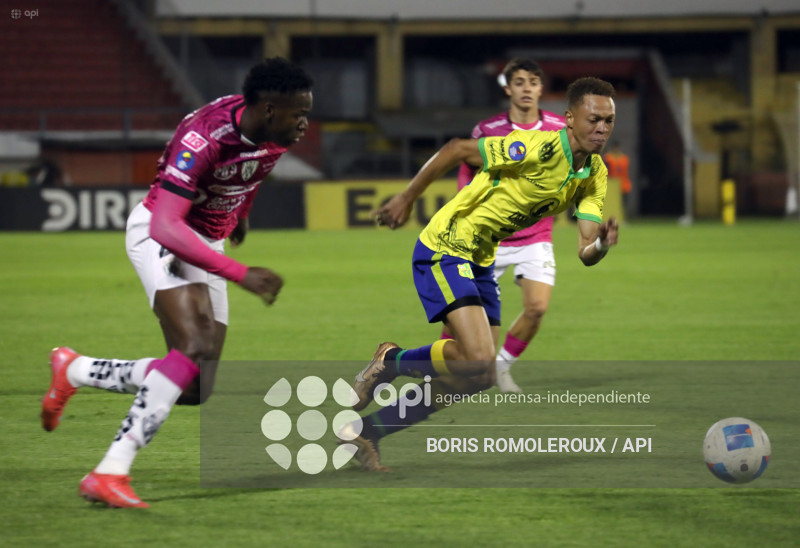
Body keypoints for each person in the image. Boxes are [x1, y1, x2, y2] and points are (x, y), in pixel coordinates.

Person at [41, 57, 313, 507]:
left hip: (207, 239)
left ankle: (76, 369)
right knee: (193, 346)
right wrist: (240, 273)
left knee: (196, 386)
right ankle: (109, 472)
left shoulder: (275, 133)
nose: (305, 123)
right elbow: (165, 225)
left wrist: (240, 213)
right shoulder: (204, 136)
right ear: (268, 110)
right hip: (165, 234)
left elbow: (253, 171)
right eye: (299, 114)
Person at [342, 77, 619, 472]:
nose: (602, 129)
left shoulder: (594, 173)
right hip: (448, 245)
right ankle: (392, 361)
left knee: (479, 375)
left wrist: (603, 244)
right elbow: (457, 149)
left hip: (482, 258)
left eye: (609, 121)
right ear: (570, 119)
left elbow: (587, 248)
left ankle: (368, 431)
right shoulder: (536, 148)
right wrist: (406, 197)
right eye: (594, 120)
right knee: (475, 359)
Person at [447, 58, 566, 394]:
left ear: (541, 89)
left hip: (536, 236)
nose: (526, 88)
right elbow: (467, 169)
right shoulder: (488, 129)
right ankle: (445, 369)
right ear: (508, 89)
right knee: (459, 319)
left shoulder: (559, 129)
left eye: (533, 82)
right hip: (489, 239)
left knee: (537, 308)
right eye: (519, 82)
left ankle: (501, 368)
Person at [603, 141, 632, 217]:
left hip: (623, 184)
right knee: (612, 202)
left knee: (623, 203)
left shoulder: (624, 158)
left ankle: (623, 217)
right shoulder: (608, 158)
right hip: (611, 184)